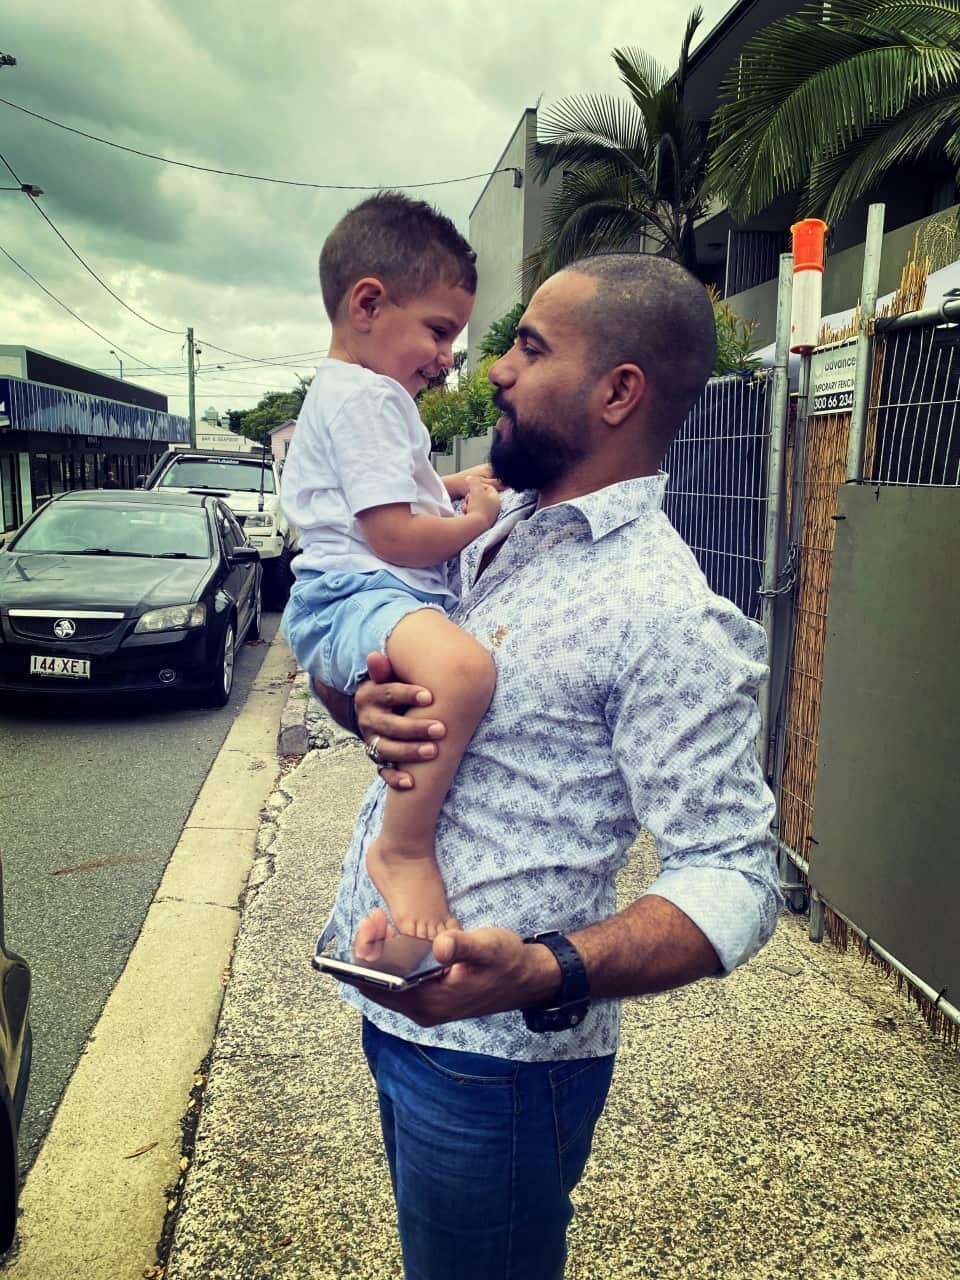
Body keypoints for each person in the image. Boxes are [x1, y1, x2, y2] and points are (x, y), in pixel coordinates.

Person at [314, 252, 783, 1280]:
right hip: (393, 995)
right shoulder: (494, 528)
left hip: (501, 1067)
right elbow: (375, 697)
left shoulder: (663, 612)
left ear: (619, 391)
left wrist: (547, 968)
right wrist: (363, 699)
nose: (497, 373)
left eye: (530, 347)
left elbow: (740, 872)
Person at [280, 192, 503, 937]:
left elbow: (389, 494)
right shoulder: (368, 400)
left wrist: (446, 488)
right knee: (464, 672)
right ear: (368, 302)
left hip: (359, 590)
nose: (448, 358)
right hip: (359, 590)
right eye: (439, 332)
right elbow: (394, 537)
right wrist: (470, 522)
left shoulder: (358, 395)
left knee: (448, 679)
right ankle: (403, 848)